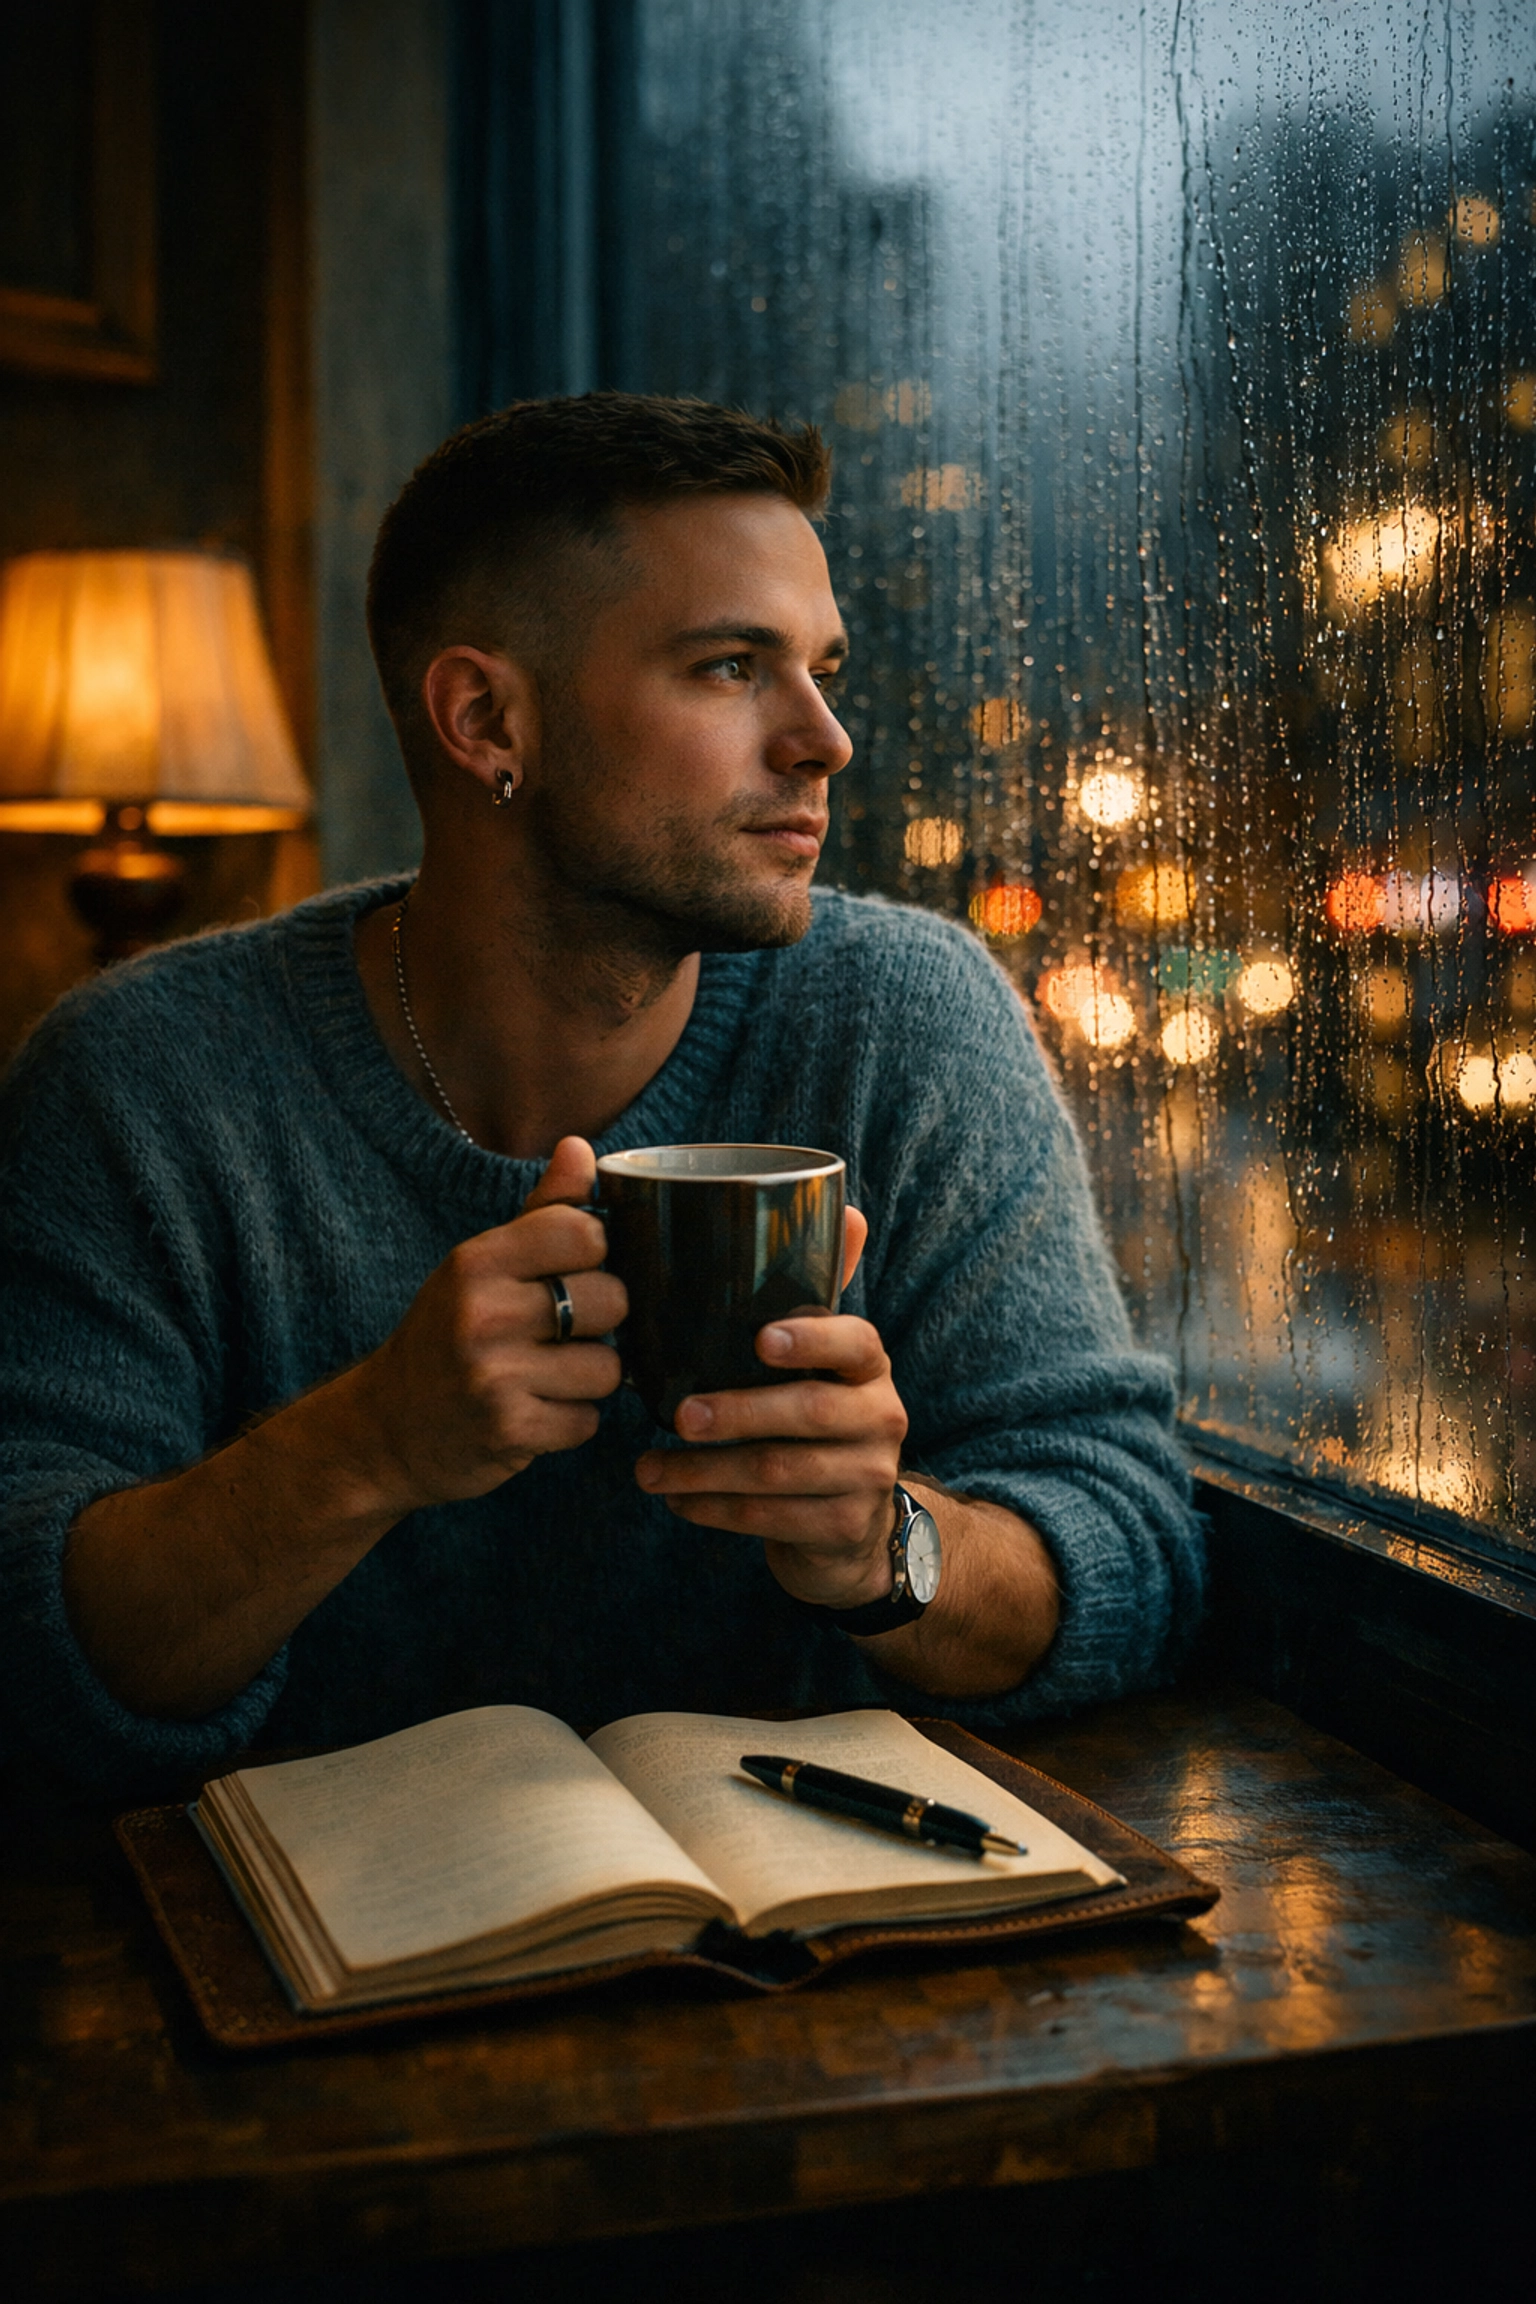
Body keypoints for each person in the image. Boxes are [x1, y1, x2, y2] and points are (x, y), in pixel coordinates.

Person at [0, 394, 1202, 1799]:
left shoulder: (908, 1022)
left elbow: (1138, 1550)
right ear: (485, 717)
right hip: (281, 1983)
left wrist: (886, 1547)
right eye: (730, 668)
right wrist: (369, 1445)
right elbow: (25, 1654)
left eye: (823, 668)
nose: (824, 739)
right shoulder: (139, 1080)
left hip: (819, 1971)